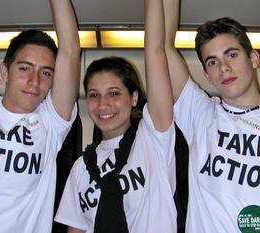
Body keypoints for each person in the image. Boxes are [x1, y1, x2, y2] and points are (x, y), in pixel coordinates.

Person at [164, 0, 260, 232]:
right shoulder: (200, 114)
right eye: (213, 62)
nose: (223, 67)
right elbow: (164, 48)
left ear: (254, 59)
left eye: (231, 55)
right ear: (207, 75)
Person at [54, 0, 177, 232]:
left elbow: (156, 50)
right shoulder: (81, 168)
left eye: (113, 93)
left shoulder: (154, 138)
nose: (103, 105)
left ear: (133, 97)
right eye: (93, 95)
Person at [0, 0, 80, 232]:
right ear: (4, 71)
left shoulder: (51, 123)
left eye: (45, 72)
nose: (35, 80)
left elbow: (70, 50)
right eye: (24, 68)